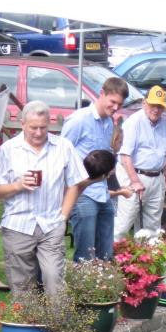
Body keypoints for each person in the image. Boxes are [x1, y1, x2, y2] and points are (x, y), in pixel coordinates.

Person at [0, 100, 87, 295]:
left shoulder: (63, 146)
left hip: (51, 223)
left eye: (43, 127)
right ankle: (25, 324)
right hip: (18, 224)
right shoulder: (8, 149)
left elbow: (77, 182)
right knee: (22, 286)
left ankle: (57, 324)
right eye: (33, 127)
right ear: (22, 124)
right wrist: (18, 185)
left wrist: (63, 216)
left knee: (54, 279)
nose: (38, 132)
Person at [61, 76, 129, 262]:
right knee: (85, 254)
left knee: (106, 253)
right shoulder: (78, 120)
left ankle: (103, 290)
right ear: (101, 94)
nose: (115, 108)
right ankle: (82, 290)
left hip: (102, 192)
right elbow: (61, 156)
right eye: (113, 102)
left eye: (119, 104)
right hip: (82, 193)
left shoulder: (108, 122)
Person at [114, 85, 166, 240]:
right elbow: (125, 156)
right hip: (134, 175)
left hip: (156, 178)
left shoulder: (164, 123)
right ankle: (110, 261)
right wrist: (135, 181)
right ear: (144, 102)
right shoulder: (134, 122)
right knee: (123, 225)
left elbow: (164, 153)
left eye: (160, 106)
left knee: (152, 229)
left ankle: (145, 262)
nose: (156, 110)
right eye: (152, 105)